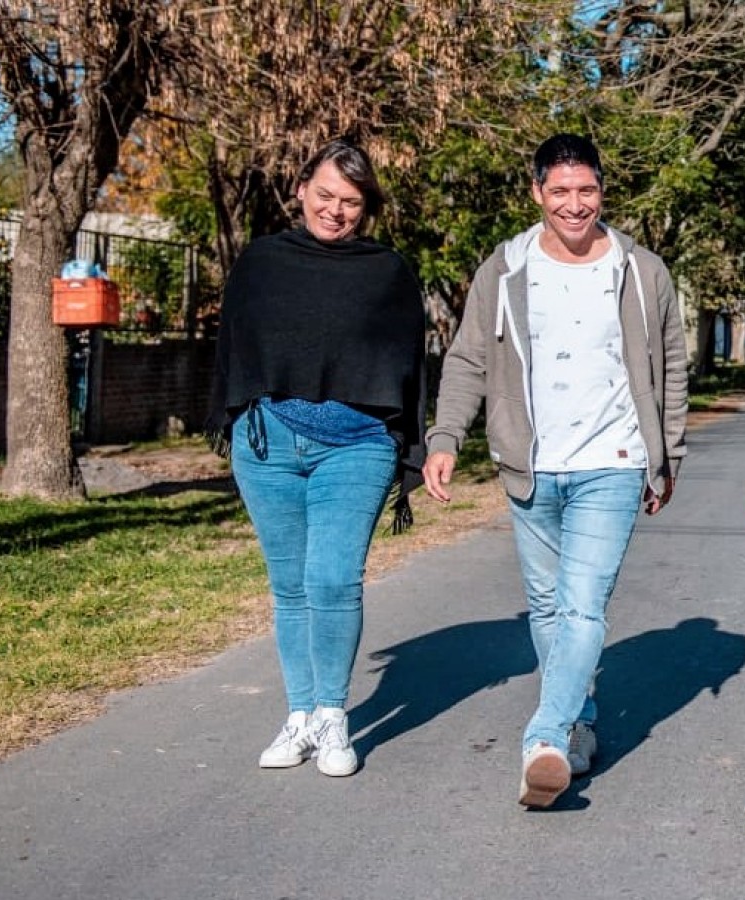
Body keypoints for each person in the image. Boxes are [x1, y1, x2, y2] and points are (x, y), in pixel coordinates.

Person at [423, 133, 688, 809]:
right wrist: (447, 434)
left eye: (588, 190)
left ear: (604, 191)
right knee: (548, 607)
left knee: (581, 605)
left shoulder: (640, 269)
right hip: (531, 463)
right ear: (538, 192)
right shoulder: (507, 268)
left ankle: (543, 736)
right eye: (561, 192)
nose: (576, 205)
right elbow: (468, 358)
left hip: (614, 460)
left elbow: (671, 366)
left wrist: (669, 455)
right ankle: (579, 726)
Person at [209, 140, 426, 777]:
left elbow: (407, 364)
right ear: (301, 188)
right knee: (290, 587)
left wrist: (408, 444)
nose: (335, 211)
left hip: (356, 447)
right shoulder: (262, 262)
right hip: (268, 443)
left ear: (367, 208)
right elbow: (233, 351)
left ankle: (333, 716)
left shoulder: (387, 271)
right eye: (325, 195)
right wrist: (240, 414)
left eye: (351, 203)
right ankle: (299, 716)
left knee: (332, 580)